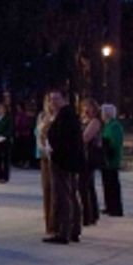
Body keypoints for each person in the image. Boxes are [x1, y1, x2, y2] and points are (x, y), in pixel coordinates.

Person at [44, 88, 84, 245]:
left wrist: (52, 150)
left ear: (64, 99)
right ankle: (74, 230)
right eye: (51, 99)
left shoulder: (65, 116)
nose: (53, 102)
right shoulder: (67, 115)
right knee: (71, 195)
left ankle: (64, 232)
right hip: (67, 161)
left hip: (62, 162)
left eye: (56, 98)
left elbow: (64, 140)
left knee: (63, 196)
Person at [79, 97, 103, 227]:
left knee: (83, 185)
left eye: (88, 107)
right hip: (84, 156)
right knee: (89, 185)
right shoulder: (84, 120)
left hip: (89, 157)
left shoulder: (95, 122)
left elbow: (85, 138)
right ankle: (93, 214)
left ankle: (87, 215)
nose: (86, 109)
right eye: (84, 107)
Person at [35, 97, 56, 236]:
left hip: (54, 156)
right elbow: (38, 134)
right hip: (44, 156)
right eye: (48, 100)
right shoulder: (42, 116)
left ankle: (55, 224)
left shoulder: (57, 117)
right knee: (47, 189)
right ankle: (49, 224)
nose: (50, 103)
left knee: (55, 191)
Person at [101, 104, 125, 217]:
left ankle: (116, 208)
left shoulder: (114, 126)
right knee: (107, 183)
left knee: (113, 184)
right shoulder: (107, 125)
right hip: (106, 158)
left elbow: (114, 142)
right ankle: (109, 206)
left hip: (112, 158)